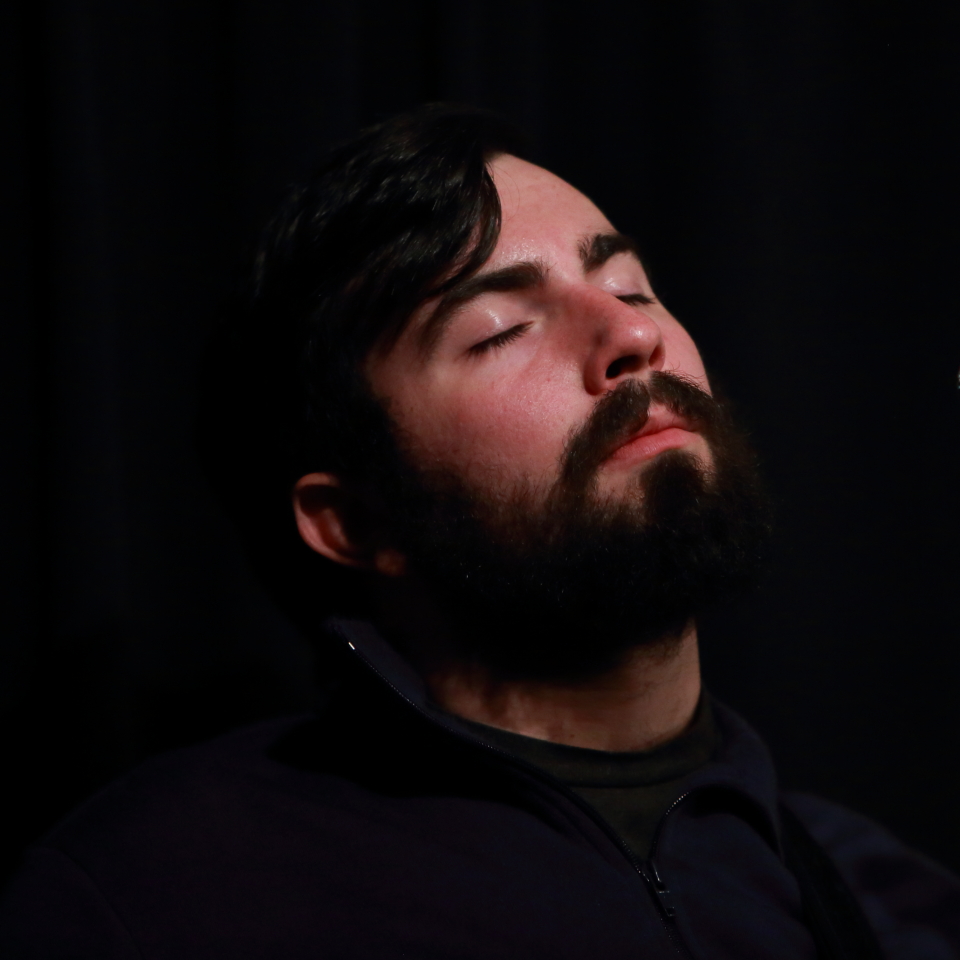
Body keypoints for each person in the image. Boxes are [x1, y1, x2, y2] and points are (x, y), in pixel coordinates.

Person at [1, 104, 958, 960]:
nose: (633, 337)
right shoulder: (155, 898)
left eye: (630, 287)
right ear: (356, 521)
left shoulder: (886, 900)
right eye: (500, 329)